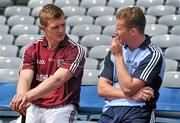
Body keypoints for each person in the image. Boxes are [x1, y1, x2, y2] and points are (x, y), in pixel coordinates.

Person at [10, 4, 85, 123]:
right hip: (34, 106)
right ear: (43, 28)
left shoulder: (75, 50)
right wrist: (21, 97)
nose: (61, 30)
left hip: (62, 108)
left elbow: (57, 79)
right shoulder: (32, 48)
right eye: (55, 27)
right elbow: (25, 78)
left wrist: (27, 96)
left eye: (63, 25)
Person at [98, 7, 165, 123]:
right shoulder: (115, 50)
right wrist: (132, 96)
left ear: (132, 31)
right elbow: (102, 89)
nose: (115, 32)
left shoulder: (153, 54)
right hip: (111, 109)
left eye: (119, 28)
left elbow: (128, 88)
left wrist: (118, 57)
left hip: (139, 110)